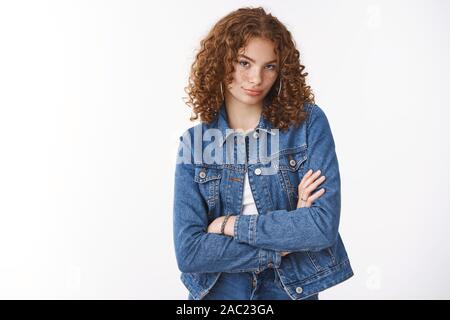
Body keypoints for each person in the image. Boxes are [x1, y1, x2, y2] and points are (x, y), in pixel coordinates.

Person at [173, 7, 353, 300]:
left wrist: (228, 225)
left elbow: (320, 228)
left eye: (269, 66)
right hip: (220, 289)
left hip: (290, 286)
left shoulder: (307, 124)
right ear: (220, 62)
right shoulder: (195, 142)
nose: (256, 78)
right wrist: (283, 244)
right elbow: (190, 252)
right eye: (244, 63)